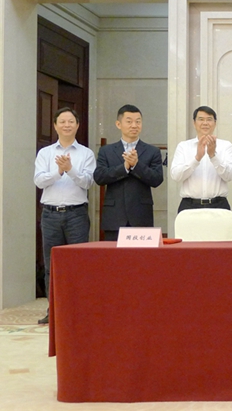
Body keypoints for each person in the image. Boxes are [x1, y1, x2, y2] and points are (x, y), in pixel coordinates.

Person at [34, 107, 95, 324]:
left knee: (78, 264)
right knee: (52, 265)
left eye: (71, 121)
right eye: (62, 121)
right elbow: (39, 181)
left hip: (76, 214)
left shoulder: (86, 154)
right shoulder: (45, 153)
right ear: (55, 125)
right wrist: (58, 171)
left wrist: (70, 169)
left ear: (77, 125)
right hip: (50, 215)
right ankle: (54, 310)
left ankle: (78, 310)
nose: (67, 125)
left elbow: (88, 182)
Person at [94, 104, 164, 241]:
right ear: (118, 124)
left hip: (141, 216)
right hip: (114, 216)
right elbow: (99, 177)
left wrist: (136, 165)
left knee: (140, 255)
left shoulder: (152, 151)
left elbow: (157, 179)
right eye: (129, 121)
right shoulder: (106, 151)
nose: (134, 125)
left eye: (138, 122)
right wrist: (125, 167)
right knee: (113, 254)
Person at [170, 106, 232, 212]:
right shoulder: (183, 146)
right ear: (194, 123)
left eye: (209, 119)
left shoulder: (225, 146)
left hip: (218, 205)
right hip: (189, 205)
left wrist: (213, 157)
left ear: (215, 123)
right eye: (201, 119)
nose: (205, 123)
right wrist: (197, 158)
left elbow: (229, 176)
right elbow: (176, 176)